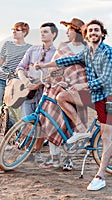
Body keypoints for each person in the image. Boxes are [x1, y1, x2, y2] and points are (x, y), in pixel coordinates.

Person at [34, 19, 112, 191]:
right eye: (90, 31)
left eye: (97, 30)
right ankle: (81, 130)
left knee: (105, 136)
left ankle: (100, 176)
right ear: (87, 35)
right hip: (93, 95)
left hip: (109, 97)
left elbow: (107, 78)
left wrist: (83, 85)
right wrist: (44, 65)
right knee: (62, 97)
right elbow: (66, 61)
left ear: (102, 34)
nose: (93, 33)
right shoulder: (87, 53)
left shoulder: (108, 52)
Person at [38, 18, 88, 170]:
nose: (66, 32)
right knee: (52, 122)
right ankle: (55, 159)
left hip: (77, 91)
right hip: (58, 87)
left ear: (77, 31)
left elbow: (86, 72)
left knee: (71, 126)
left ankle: (69, 160)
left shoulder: (87, 48)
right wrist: (51, 76)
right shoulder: (63, 46)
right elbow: (56, 67)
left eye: (69, 29)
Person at [0, 22, 32, 153]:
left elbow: (28, 66)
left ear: (25, 32)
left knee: (13, 113)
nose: (14, 32)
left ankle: (10, 141)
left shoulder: (29, 48)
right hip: (1, 80)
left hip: (16, 83)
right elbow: (0, 62)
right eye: (13, 29)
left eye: (18, 30)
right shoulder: (7, 45)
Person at [16, 22, 58, 163]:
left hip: (46, 91)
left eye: (45, 32)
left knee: (42, 123)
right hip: (28, 91)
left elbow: (58, 73)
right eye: (41, 31)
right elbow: (20, 67)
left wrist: (39, 84)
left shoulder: (57, 53)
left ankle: (37, 151)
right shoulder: (32, 50)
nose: (42, 34)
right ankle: (27, 150)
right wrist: (25, 81)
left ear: (53, 34)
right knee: (27, 121)